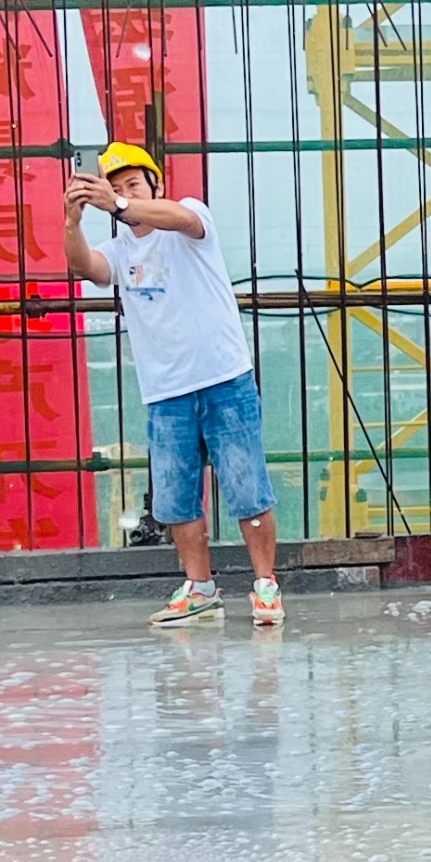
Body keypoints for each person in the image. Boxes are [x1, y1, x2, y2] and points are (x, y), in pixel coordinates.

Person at [68, 142, 281, 630]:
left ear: (153, 185)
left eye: (131, 185)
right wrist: (72, 221)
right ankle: (199, 587)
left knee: (248, 487)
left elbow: (180, 219)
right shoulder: (120, 252)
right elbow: (87, 268)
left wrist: (118, 204)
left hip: (223, 376)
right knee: (177, 497)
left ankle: (265, 583)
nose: (121, 195)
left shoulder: (189, 218)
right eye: (113, 187)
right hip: (165, 391)